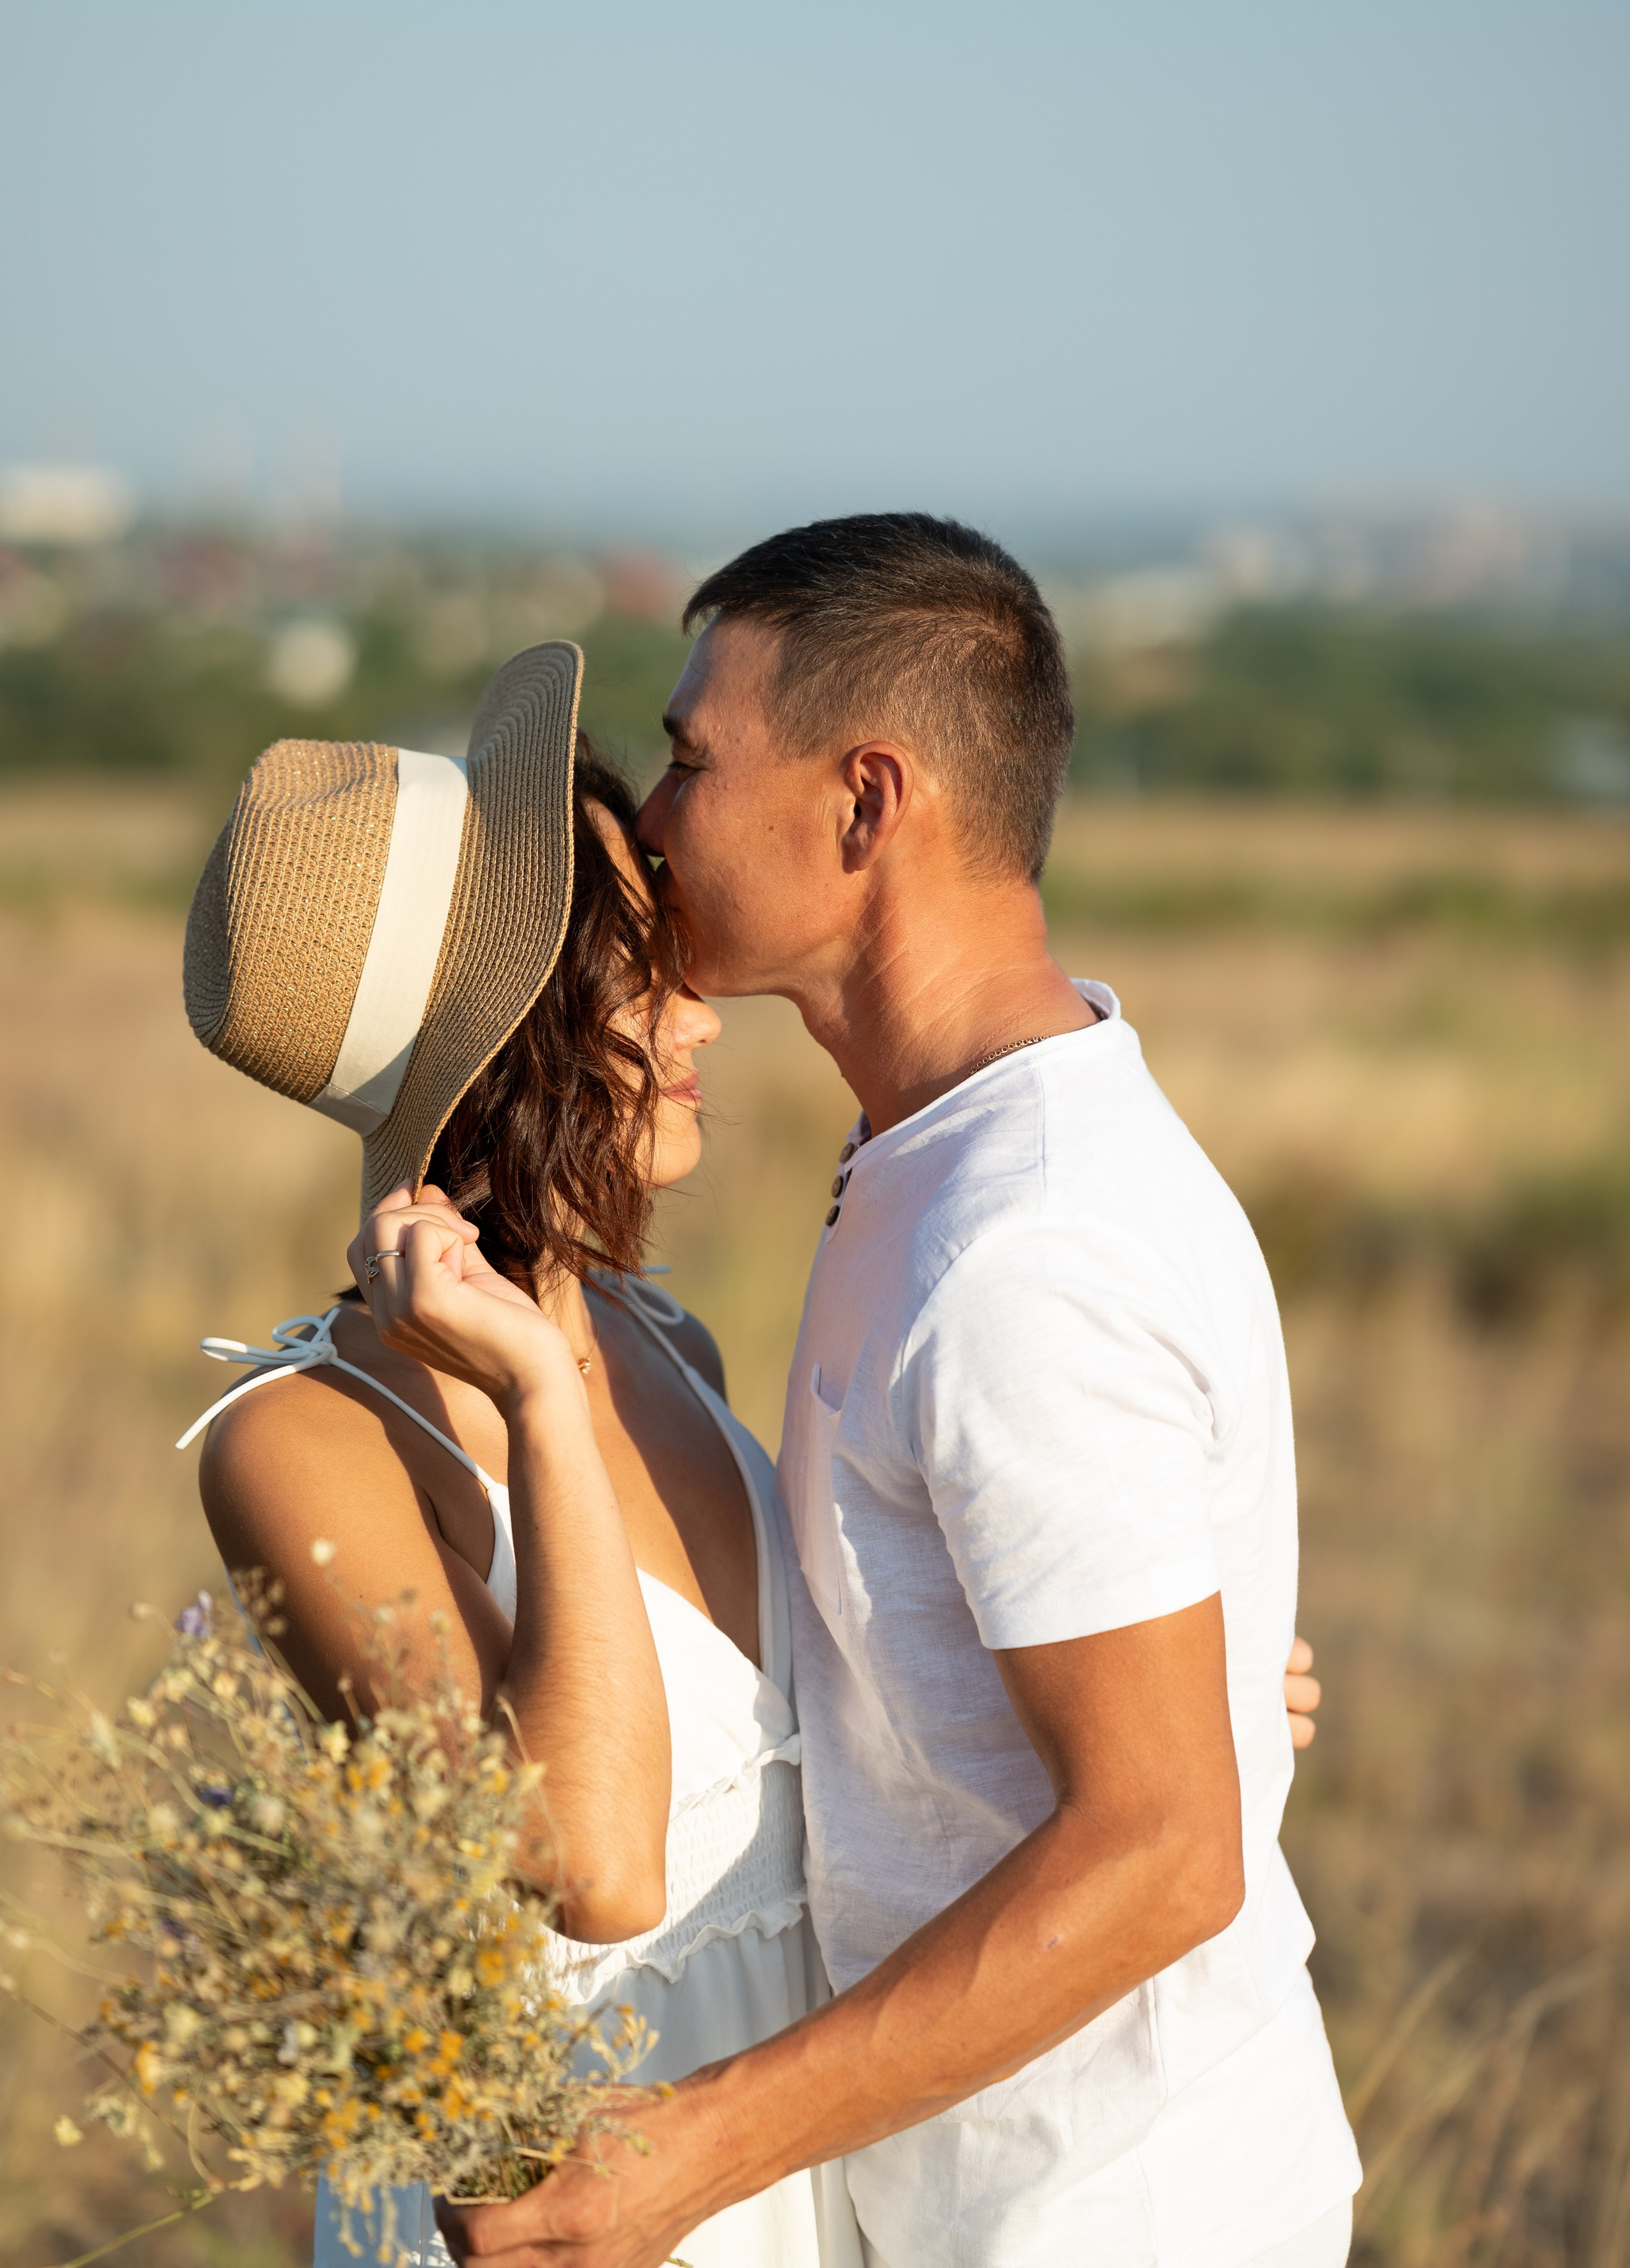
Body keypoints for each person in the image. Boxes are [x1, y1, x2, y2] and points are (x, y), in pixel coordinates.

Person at [432, 516, 1362, 2268]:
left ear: (867, 804)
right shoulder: (949, 1155)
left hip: (1105, 2215)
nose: (654, 820)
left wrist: (689, 2154)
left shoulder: (1023, 1245)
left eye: (699, 758)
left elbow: (1166, 1847)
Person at [178, 646, 865, 2267]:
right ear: (508, 1044)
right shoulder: (300, 1443)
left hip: (775, 2175)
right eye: (640, 976)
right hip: (568, 2213)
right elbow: (596, 1863)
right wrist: (545, 1404)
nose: (700, 1013)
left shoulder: (665, 1339)